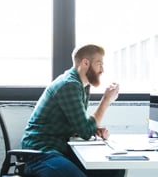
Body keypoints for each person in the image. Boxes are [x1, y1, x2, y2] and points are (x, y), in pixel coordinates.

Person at [20, 44, 124, 177]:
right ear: (86, 63)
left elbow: (81, 127)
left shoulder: (82, 86)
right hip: (41, 153)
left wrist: (94, 128)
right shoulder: (69, 85)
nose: (102, 70)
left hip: (59, 150)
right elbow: (85, 131)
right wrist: (106, 100)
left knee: (113, 169)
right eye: (99, 64)